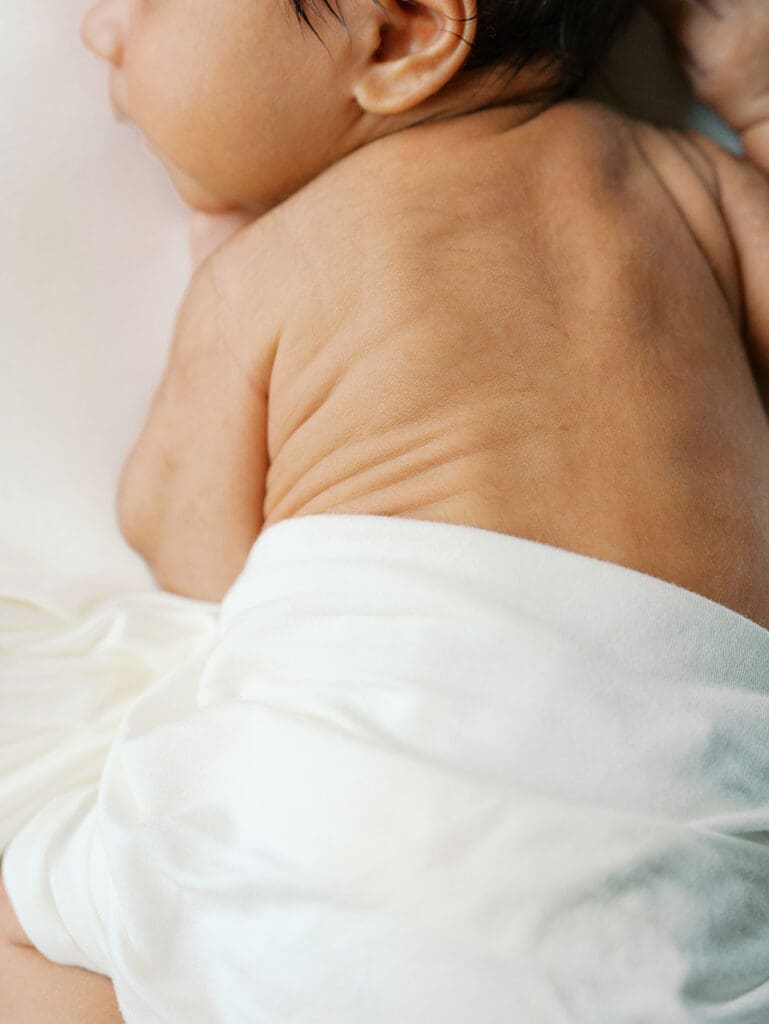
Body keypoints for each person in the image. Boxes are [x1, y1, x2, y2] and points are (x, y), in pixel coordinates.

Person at [3, 0, 769, 1020]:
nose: (100, 29)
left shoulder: (275, 263)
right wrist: (755, 103)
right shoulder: (696, 188)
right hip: (678, 899)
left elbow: (184, 546)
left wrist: (220, 281)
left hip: (332, 836)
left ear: (401, 34)